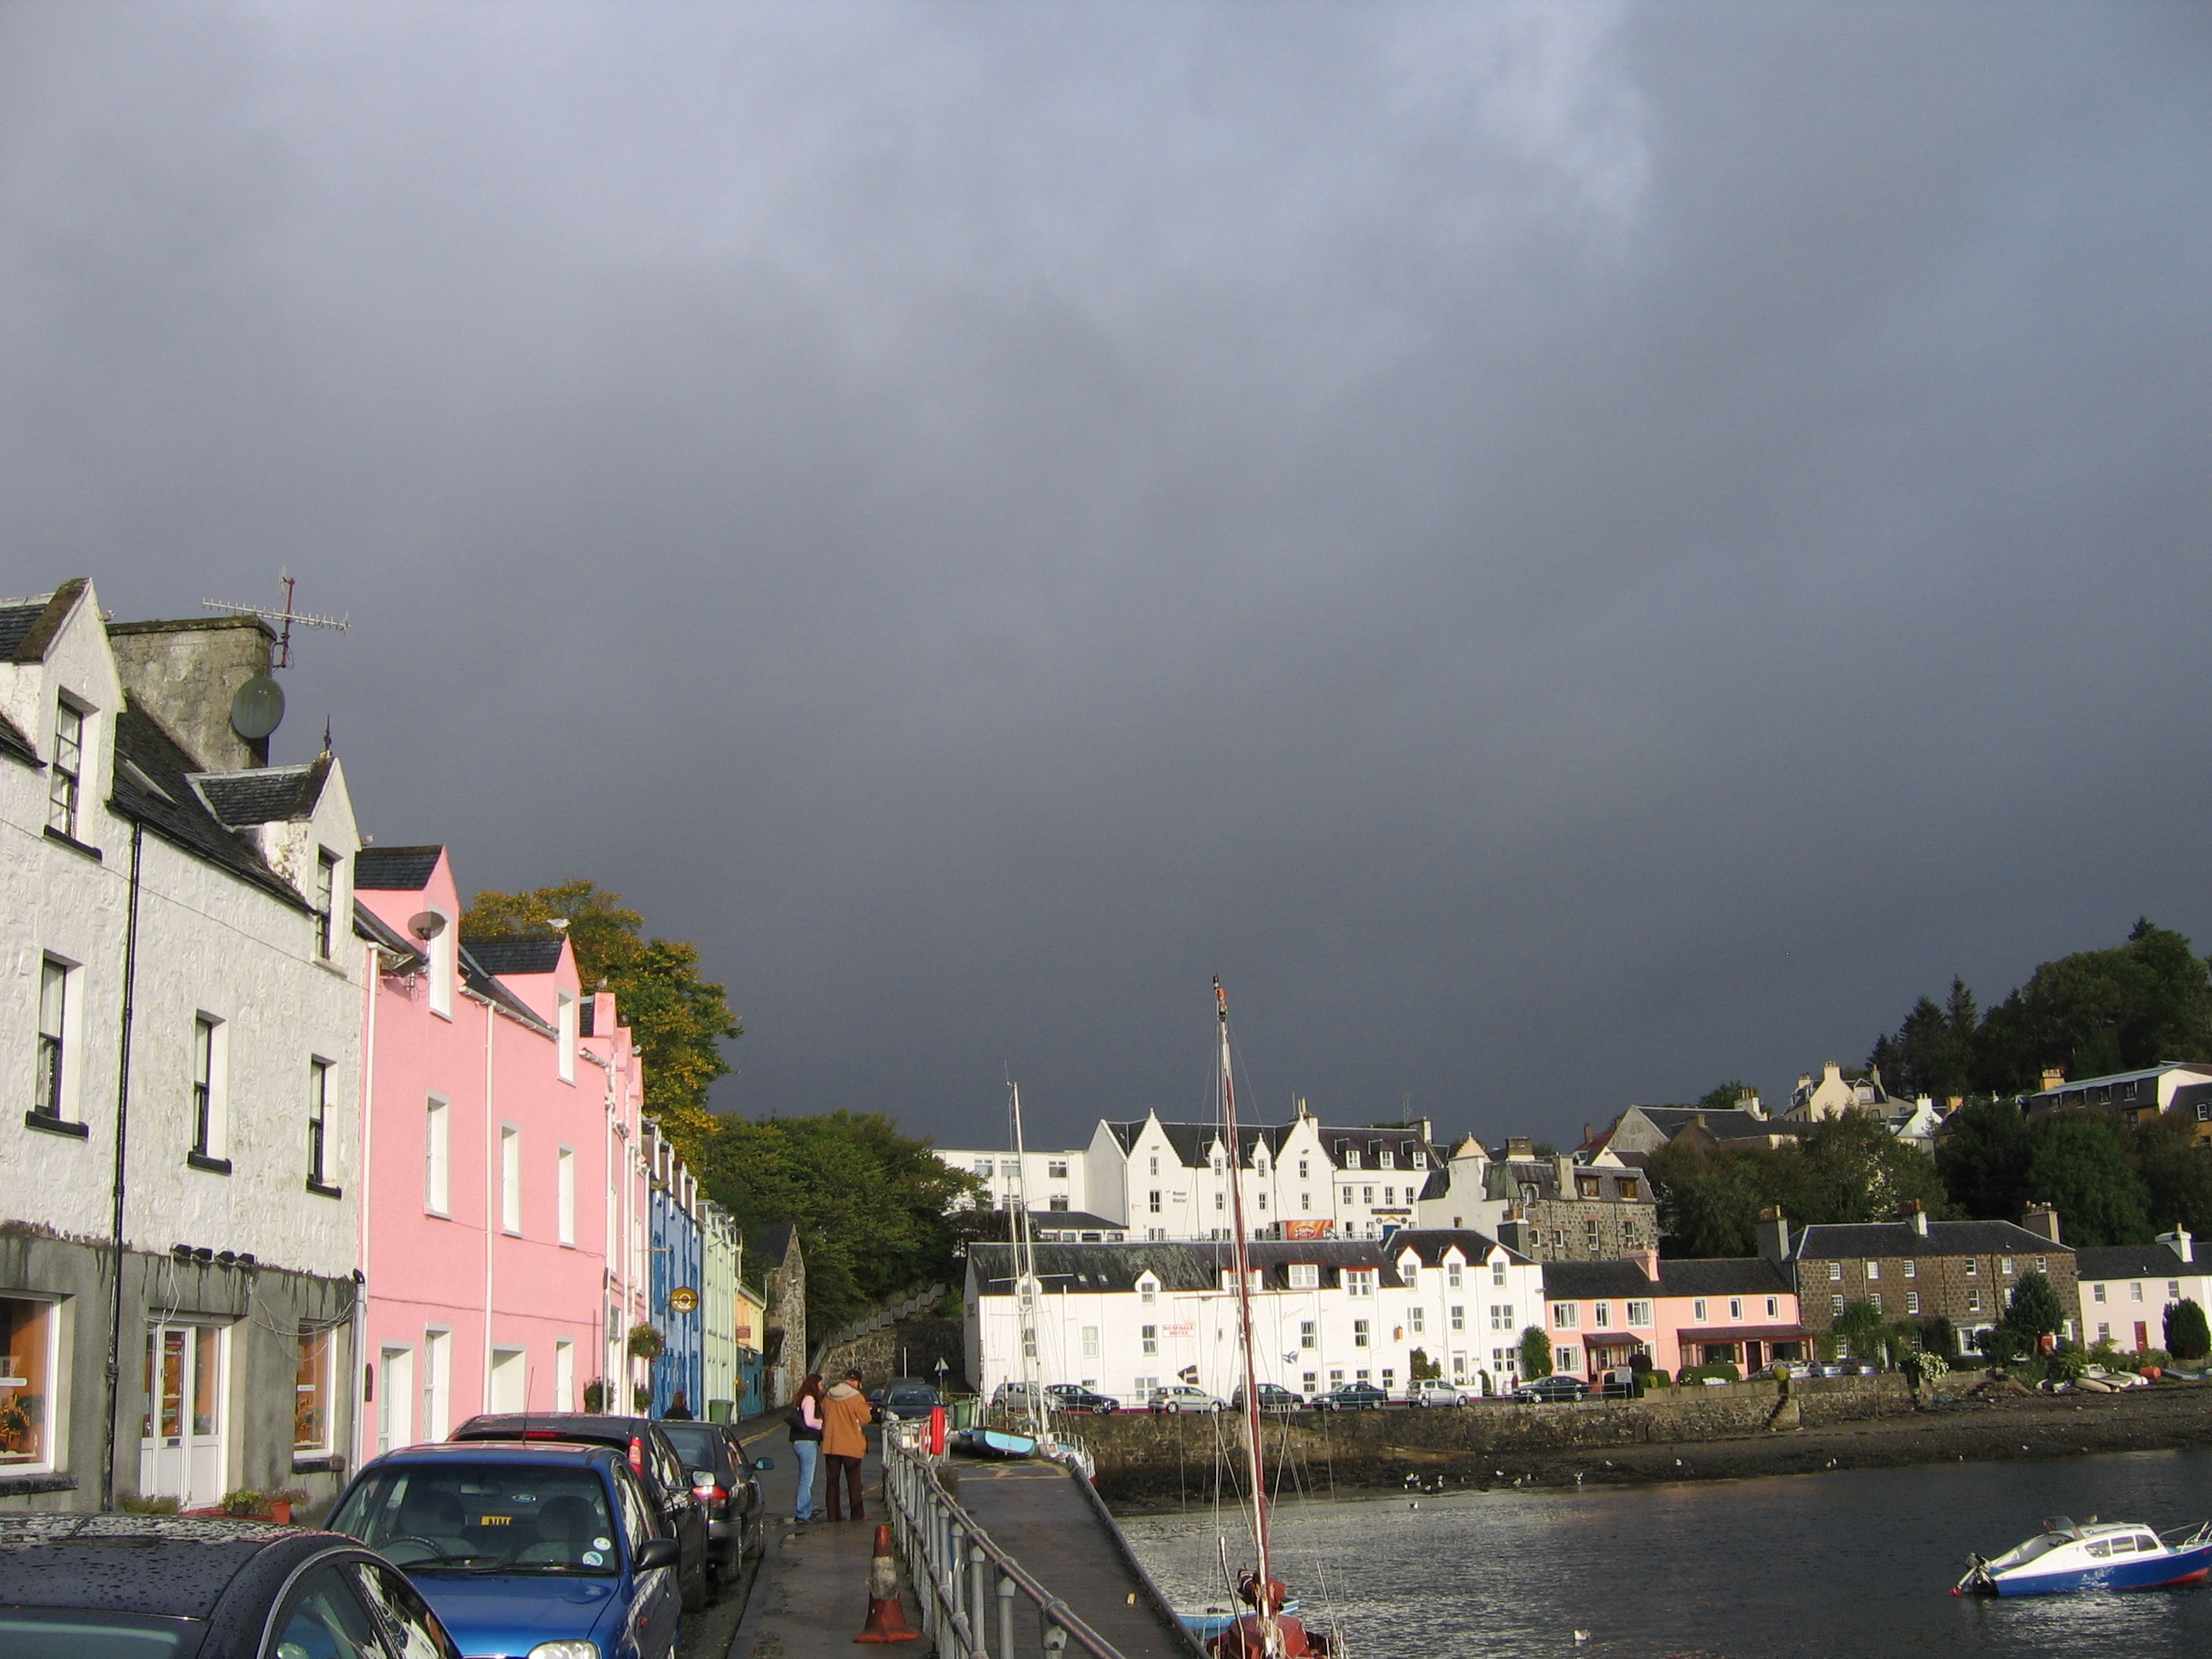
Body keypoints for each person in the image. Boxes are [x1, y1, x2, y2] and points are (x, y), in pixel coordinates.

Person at [818, 1368, 873, 1522]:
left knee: (832, 1482)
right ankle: (857, 1515)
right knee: (854, 1482)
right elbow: (865, 1418)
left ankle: (833, 1515)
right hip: (851, 1445)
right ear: (857, 1382)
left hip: (831, 1444)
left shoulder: (828, 1396)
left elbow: (823, 1412)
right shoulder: (856, 1397)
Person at [789, 1373, 825, 1524]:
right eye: (821, 1384)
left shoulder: (802, 1397)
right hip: (807, 1442)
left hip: (799, 1442)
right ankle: (802, 1513)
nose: (822, 1387)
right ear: (814, 1384)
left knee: (805, 1478)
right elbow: (809, 1421)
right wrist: (824, 1423)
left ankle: (807, 1509)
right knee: (806, 1480)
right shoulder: (809, 1399)